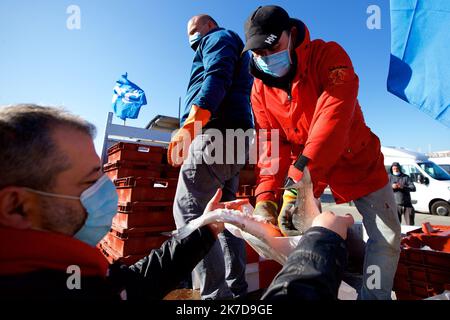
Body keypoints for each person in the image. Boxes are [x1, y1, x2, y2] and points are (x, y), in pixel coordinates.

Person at [0, 104, 242, 300]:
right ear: (16, 206)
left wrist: (205, 230)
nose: (105, 189)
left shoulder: (70, 274)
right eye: (89, 181)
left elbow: (129, 287)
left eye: (102, 174)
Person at [243, 5, 401, 300]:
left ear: (291, 35)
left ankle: (374, 297)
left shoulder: (329, 56)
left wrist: (300, 181)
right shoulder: (259, 90)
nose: (266, 59)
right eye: (258, 54)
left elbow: (333, 118)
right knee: (301, 236)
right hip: (309, 171)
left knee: (386, 237)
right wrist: (265, 197)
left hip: (358, 162)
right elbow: (270, 145)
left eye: (272, 48)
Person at [168, 14, 254, 300]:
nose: (191, 38)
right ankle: (236, 290)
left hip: (215, 131)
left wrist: (193, 122)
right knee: (225, 216)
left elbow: (217, 74)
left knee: (189, 209)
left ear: (208, 25)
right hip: (233, 136)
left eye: (194, 30)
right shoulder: (226, 44)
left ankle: (214, 297)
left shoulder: (217, 38)